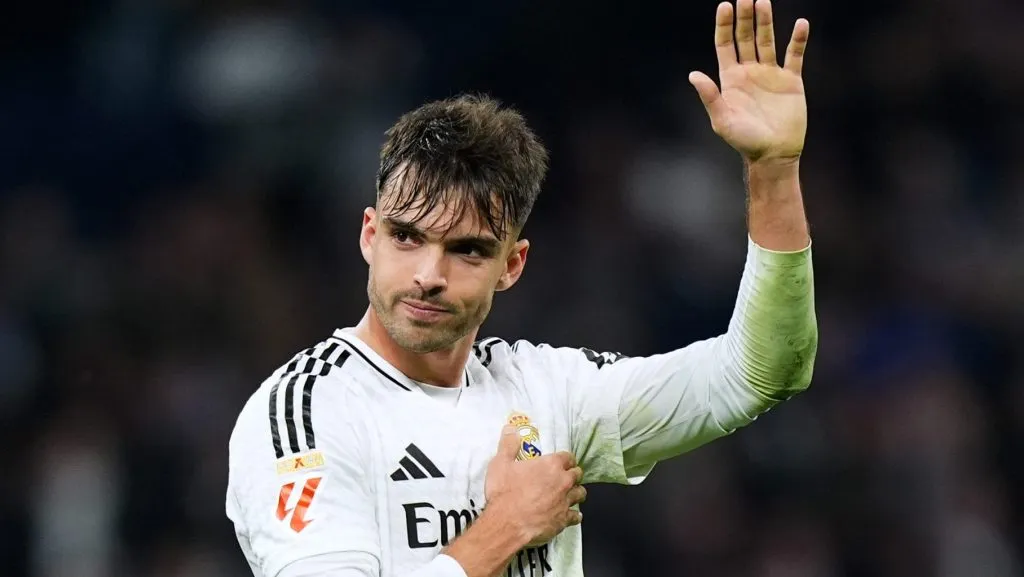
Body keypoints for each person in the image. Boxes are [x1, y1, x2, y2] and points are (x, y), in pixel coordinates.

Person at [226, 1, 817, 576]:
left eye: (467, 250)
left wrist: (773, 172)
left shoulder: (547, 392)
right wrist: (507, 526)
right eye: (407, 238)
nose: (430, 275)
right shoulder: (305, 413)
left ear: (513, 264)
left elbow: (759, 372)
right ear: (369, 235)